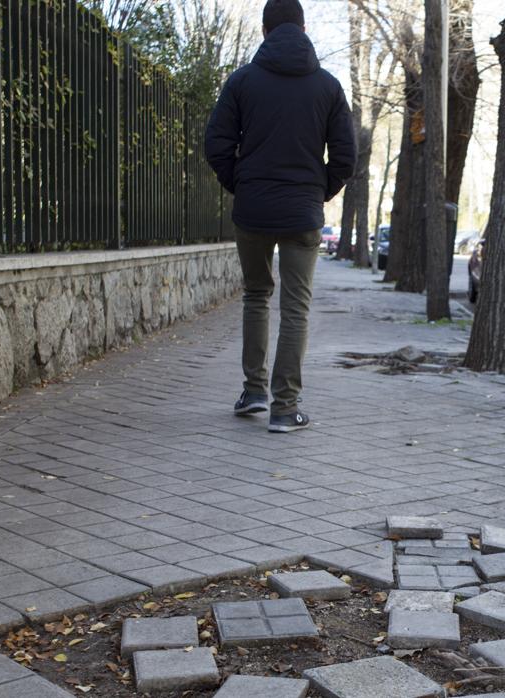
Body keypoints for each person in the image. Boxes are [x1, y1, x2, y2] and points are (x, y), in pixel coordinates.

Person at [205, 0, 356, 433]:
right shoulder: (327, 86)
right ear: (304, 28)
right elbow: (345, 154)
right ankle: (285, 408)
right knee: (296, 308)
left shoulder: (241, 82)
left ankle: (253, 391)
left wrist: (242, 184)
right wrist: (317, 192)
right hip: (302, 213)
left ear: (265, 31)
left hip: (252, 210)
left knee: (256, 296)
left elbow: (216, 143)